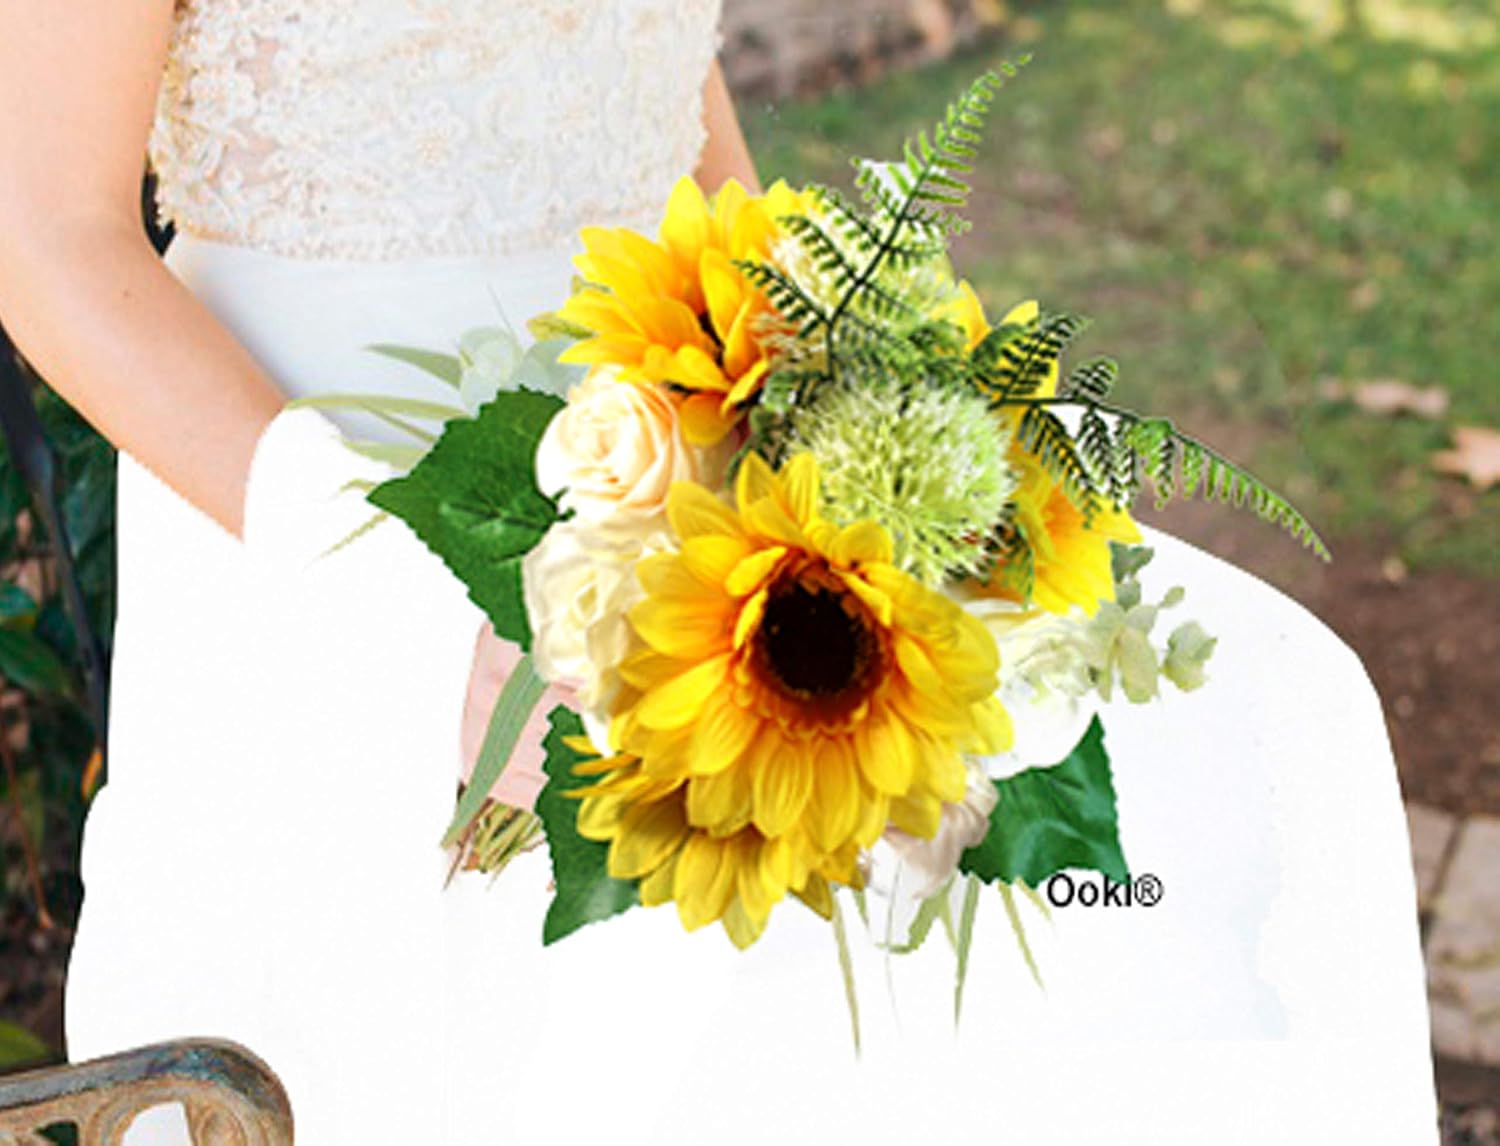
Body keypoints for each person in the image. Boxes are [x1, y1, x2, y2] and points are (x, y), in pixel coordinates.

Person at [0, 3, 1440, 1143]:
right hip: (314, 506)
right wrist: (394, 595)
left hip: (686, 462)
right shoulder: (360, 571)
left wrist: (840, 392)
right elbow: (46, 238)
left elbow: (651, 92)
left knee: (1257, 724)